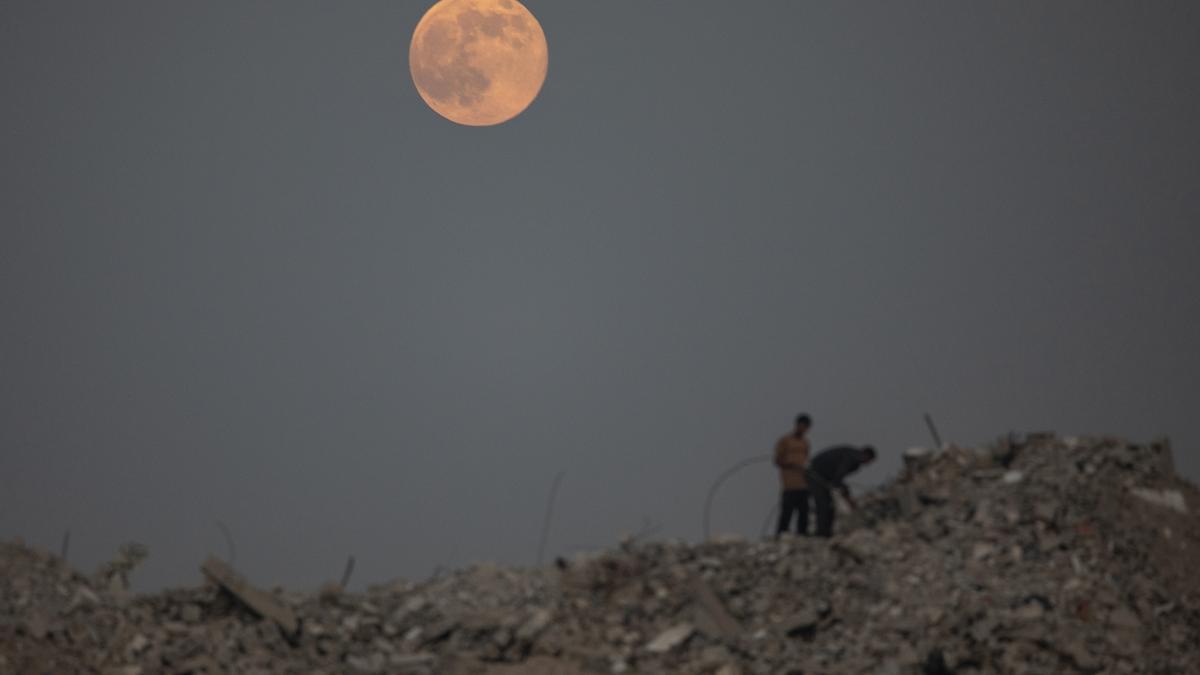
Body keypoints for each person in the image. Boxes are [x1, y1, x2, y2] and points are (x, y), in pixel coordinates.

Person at [808, 444, 877, 537]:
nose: (868, 464)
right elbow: (838, 479)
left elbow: (838, 480)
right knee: (823, 505)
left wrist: (845, 491)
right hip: (815, 474)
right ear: (866, 456)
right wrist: (847, 497)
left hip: (823, 476)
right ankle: (821, 534)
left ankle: (826, 533)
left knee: (828, 505)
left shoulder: (853, 457)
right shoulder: (853, 457)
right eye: (869, 461)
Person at [774, 414, 812, 537]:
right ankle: (781, 535)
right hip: (789, 484)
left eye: (805, 427)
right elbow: (777, 460)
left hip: (803, 483)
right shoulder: (785, 440)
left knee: (804, 513)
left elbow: (806, 460)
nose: (802, 429)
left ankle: (802, 535)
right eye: (801, 426)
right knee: (787, 512)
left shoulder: (805, 443)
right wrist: (790, 464)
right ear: (796, 425)